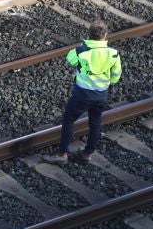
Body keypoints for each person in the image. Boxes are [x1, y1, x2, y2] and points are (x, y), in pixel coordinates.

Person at [44, 19, 122, 165]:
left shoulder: (81, 51)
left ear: (89, 35)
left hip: (82, 94)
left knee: (69, 120)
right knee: (95, 123)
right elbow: (116, 77)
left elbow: (70, 60)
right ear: (105, 35)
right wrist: (106, 81)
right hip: (101, 95)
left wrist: (83, 46)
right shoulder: (113, 54)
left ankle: (62, 154)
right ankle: (88, 154)